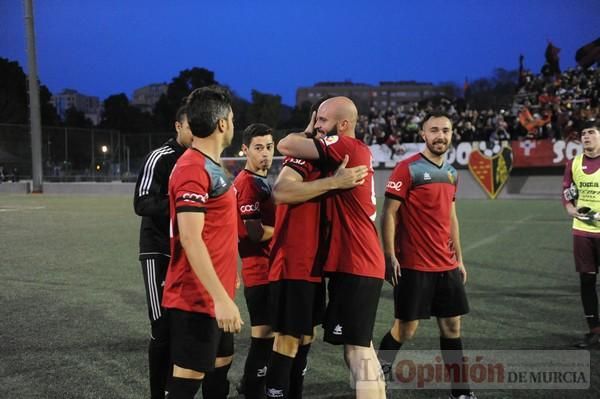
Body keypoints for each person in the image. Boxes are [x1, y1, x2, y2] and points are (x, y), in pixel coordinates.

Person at [277, 96, 386, 399]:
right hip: (358, 262)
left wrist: (308, 130)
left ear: (344, 125)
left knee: (357, 353)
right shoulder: (351, 151)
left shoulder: (347, 147)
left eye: (323, 120)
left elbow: (285, 144)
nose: (318, 125)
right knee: (362, 348)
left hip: (356, 262)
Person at [377, 111, 476, 399]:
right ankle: (375, 373)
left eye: (445, 130)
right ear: (423, 134)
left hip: (446, 264)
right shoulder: (407, 168)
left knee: (452, 326)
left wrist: (459, 258)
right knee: (406, 329)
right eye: (434, 130)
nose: (440, 136)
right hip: (414, 265)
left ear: (452, 134)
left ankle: (461, 392)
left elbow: (451, 217)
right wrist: (389, 255)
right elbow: (389, 213)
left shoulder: (452, 172)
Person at [162, 86, 243, 399]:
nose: (233, 125)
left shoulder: (210, 165)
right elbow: (190, 238)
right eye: (232, 119)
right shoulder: (192, 168)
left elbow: (218, 230)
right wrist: (220, 297)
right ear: (222, 124)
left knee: (220, 365)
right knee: (187, 379)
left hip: (215, 291)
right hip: (195, 297)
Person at [133, 104, 192, 399]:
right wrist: (183, 206)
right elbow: (141, 203)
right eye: (190, 126)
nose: (196, 132)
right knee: (162, 328)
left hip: (187, 252)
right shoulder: (161, 157)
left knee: (182, 328)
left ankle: (175, 390)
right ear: (178, 126)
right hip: (158, 252)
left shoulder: (199, 160)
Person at [233, 123, 276, 398]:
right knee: (263, 336)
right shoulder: (247, 183)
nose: (265, 154)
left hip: (269, 269)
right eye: (258, 148)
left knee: (268, 336)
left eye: (269, 147)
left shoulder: (260, 180)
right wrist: (288, 226)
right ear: (245, 150)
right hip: (258, 270)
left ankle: (253, 386)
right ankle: (251, 388)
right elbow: (255, 233)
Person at [563, 119, 600, 348]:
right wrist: (570, 208)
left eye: (592, 132)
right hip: (582, 231)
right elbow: (566, 191)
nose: (586, 137)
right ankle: (594, 330)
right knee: (587, 280)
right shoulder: (573, 163)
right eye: (583, 133)